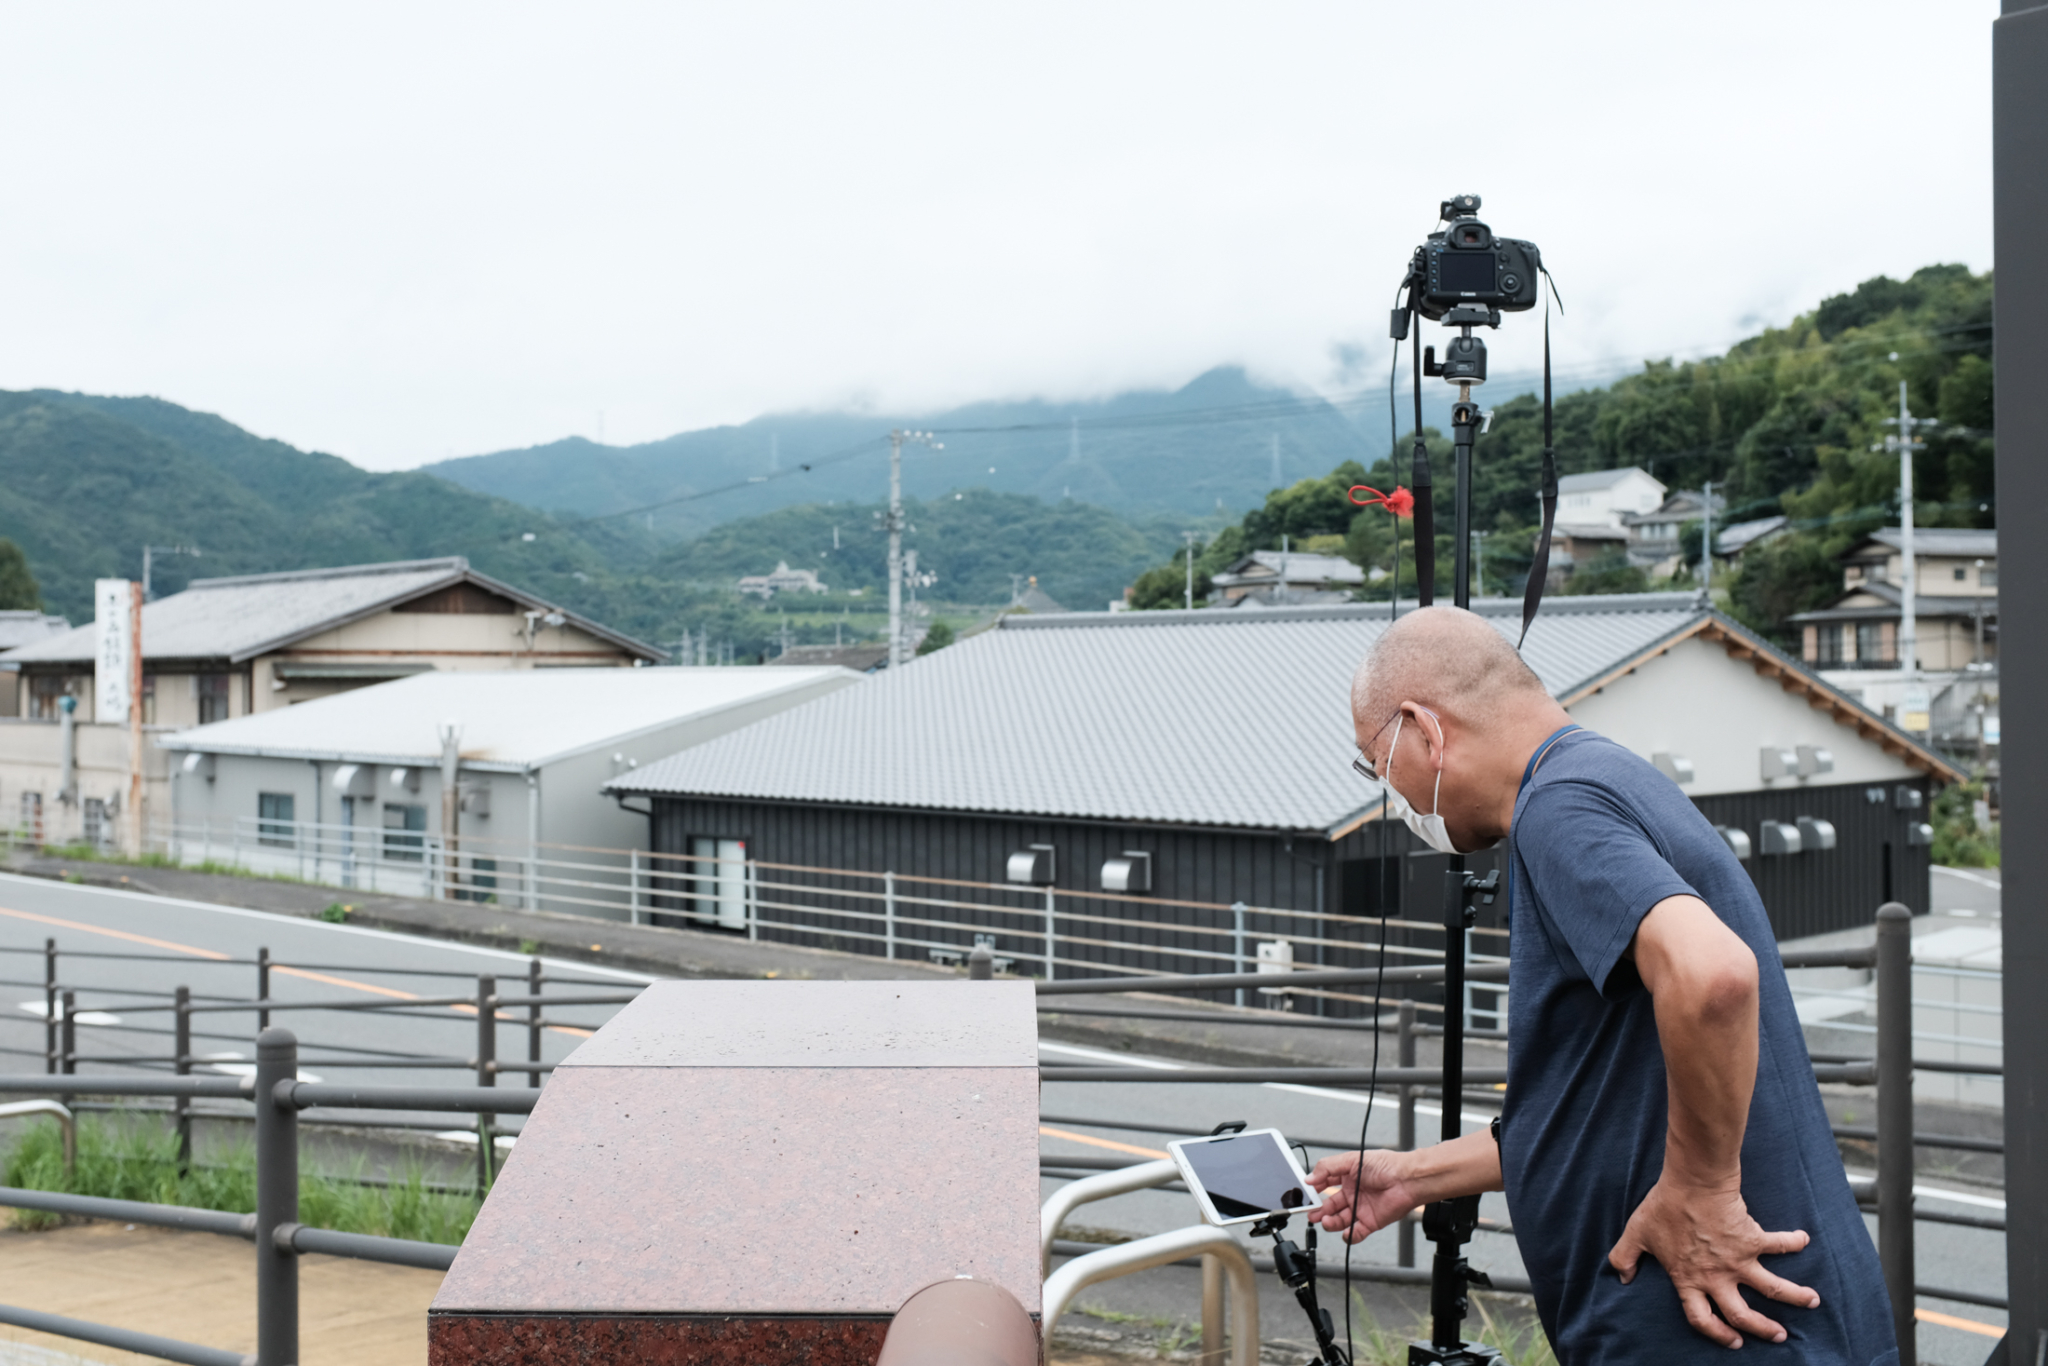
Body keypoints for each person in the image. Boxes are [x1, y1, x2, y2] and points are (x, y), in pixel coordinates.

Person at [1308, 606, 1894, 1363]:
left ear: (1426, 728)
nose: (1393, 793)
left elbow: (1714, 977)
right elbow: (1599, 1106)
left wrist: (1702, 1189)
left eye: (1379, 761)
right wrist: (1414, 1175)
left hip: (1721, 1327)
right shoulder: (1601, 777)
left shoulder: (1557, 808)